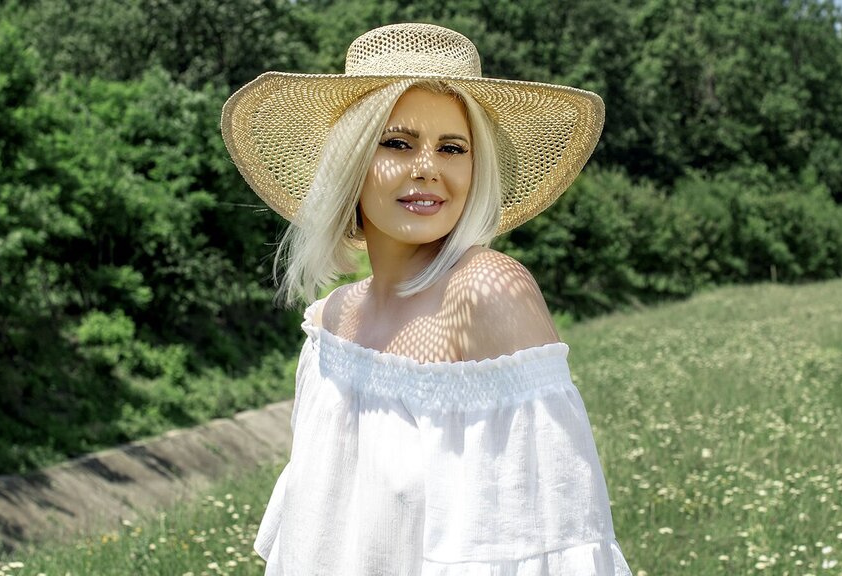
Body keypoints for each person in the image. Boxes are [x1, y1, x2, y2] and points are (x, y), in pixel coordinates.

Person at [221, 22, 633, 576]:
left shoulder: (487, 291)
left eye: (452, 148)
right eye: (398, 142)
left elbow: (553, 540)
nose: (428, 168)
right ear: (351, 159)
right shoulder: (331, 321)